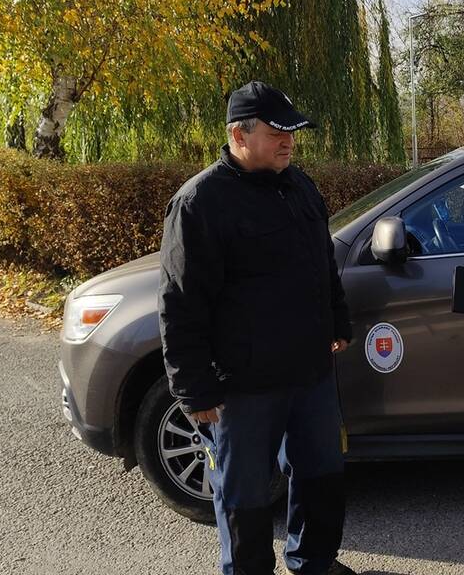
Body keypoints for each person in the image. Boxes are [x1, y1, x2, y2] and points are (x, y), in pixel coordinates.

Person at [158, 81, 356, 575]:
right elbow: (181, 306)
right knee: (243, 497)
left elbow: (322, 263)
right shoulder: (200, 203)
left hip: (309, 373)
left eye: (293, 131)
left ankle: (313, 561)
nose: (289, 141)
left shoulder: (299, 185)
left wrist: (337, 319)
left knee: (321, 477)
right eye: (277, 132)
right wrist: (193, 389)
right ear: (238, 136)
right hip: (242, 387)